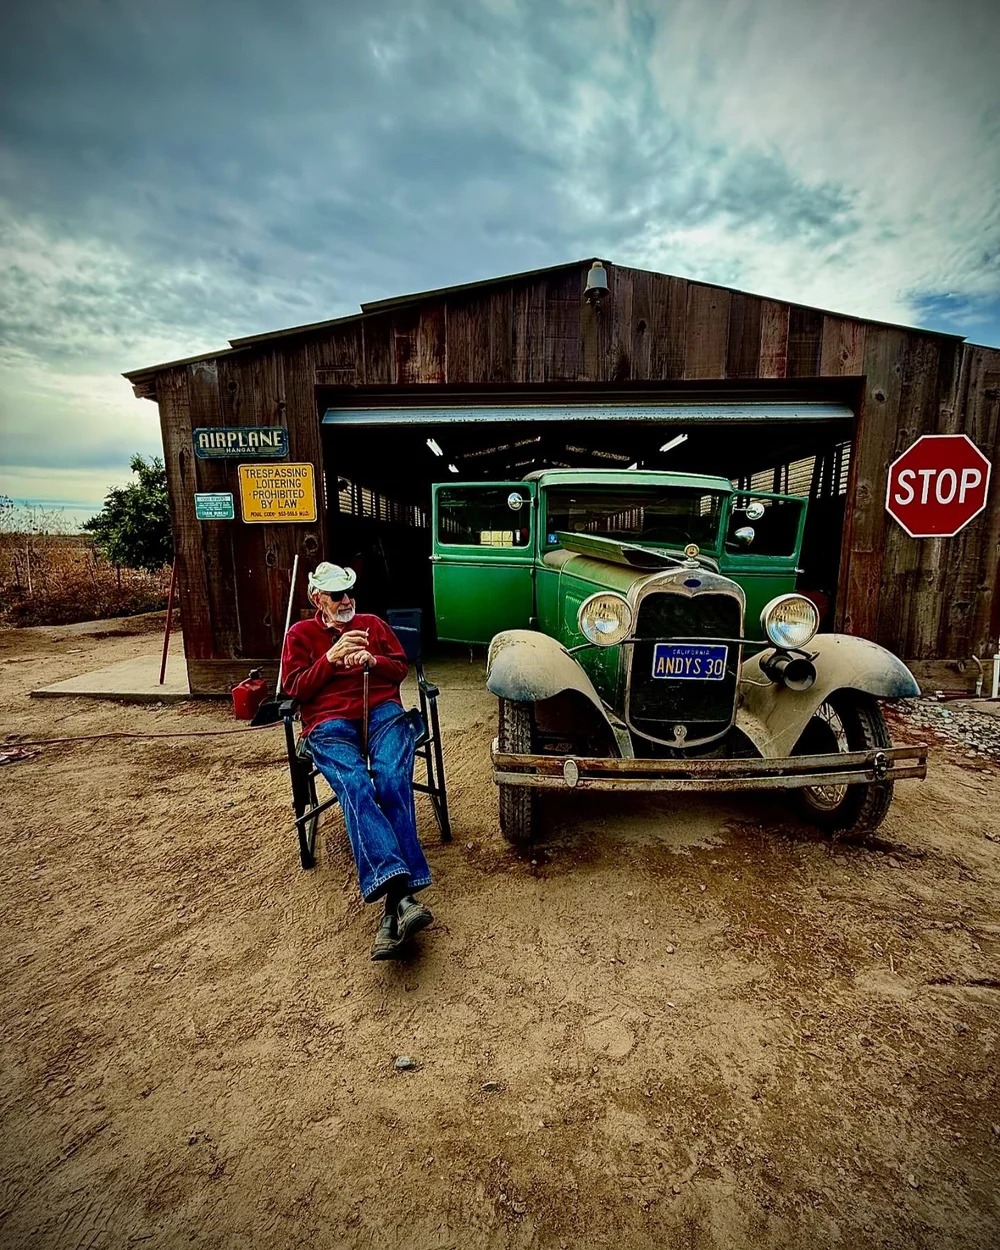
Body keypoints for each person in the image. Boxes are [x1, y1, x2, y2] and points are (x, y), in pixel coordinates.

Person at [281, 561, 433, 961]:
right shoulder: (300, 635)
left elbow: (399, 669)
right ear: (318, 599)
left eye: (349, 592)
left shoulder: (372, 625)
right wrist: (330, 659)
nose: (347, 600)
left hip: (381, 713)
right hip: (329, 723)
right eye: (337, 595)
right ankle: (402, 896)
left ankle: (394, 902)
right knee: (356, 784)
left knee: (391, 778)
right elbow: (294, 689)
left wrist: (372, 661)